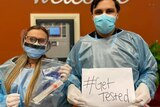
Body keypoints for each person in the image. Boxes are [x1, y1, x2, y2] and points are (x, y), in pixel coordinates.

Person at [66, 0, 158, 107]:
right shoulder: (81, 46)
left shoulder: (134, 41)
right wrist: (72, 86)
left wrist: (145, 86)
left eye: (109, 11)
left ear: (117, 14)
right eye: (99, 12)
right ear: (92, 15)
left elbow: (149, 71)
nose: (104, 15)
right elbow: (72, 74)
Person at [0, 25, 75, 107]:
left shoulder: (54, 70)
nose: (35, 43)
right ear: (24, 40)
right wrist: (4, 101)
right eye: (32, 39)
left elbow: (59, 101)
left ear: (47, 44)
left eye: (41, 41)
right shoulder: (9, 67)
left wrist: (67, 83)